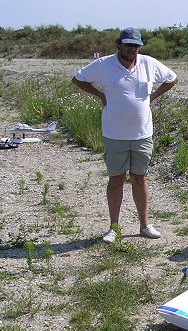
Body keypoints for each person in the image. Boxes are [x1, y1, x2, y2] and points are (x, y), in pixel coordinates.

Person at [72, 27, 178, 243]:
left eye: (136, 46)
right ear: (118, 44)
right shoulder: (104, 65)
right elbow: (78, 79)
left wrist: (153, 97)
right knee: (116, 179)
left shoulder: (148, 63)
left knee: (139, 178)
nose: (133, 49)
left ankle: (145, 225)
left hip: (142, 134)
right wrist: (100, 95)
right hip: (114, 134)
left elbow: (172, 78)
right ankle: (113, 228)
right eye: (129, 45)